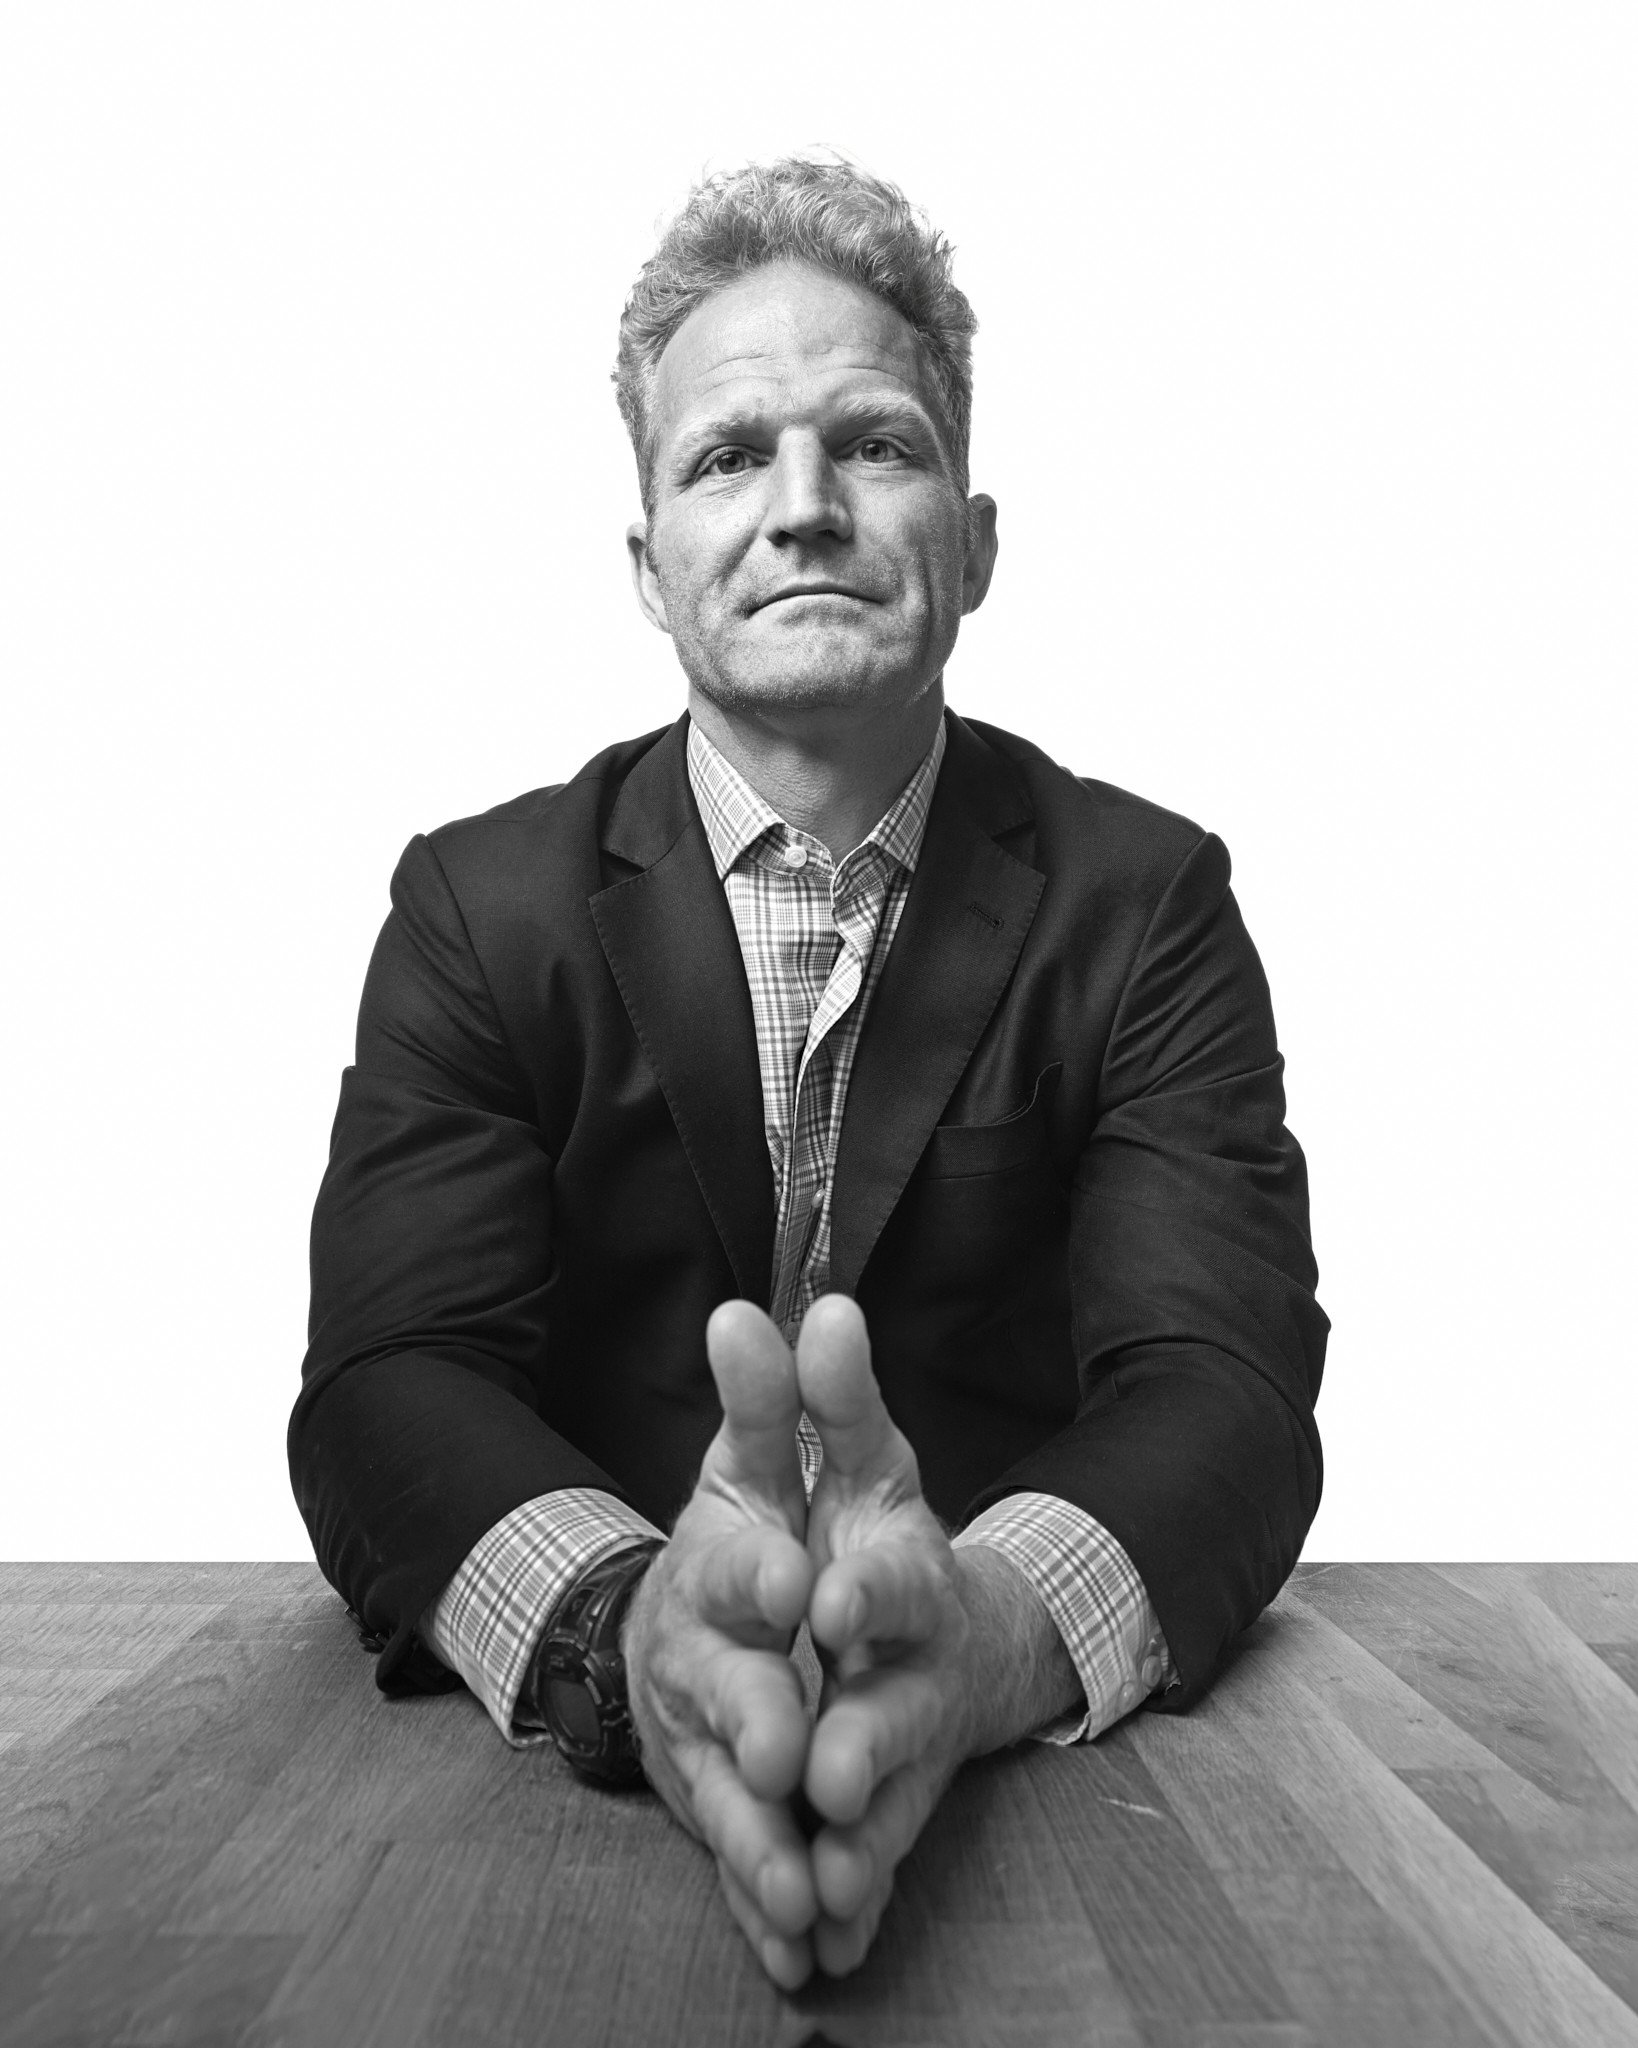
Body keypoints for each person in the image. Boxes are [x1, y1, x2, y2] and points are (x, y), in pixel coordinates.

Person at [291, 157, 1327, 1989]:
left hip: (1051, 1818)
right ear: (648, 565)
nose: (801, 509)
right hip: (553, 1831)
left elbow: (1221, 1388)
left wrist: (988, 1635)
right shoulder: (476, 908)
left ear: (978, 539)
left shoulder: (1147, 902)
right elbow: (392, 1382)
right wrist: (634, 1642)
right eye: (722, 457)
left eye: (874, 442)